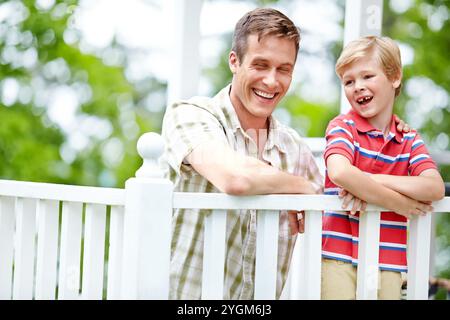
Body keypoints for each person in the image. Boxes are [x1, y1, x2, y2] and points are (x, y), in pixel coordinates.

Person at [161, 8, 323, 300]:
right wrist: (300, 186)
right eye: (260, 65)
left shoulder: (294, 148)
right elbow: (235, 178)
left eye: (283, 69)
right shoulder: (189, 115)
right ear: (234, 61)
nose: (272, 81)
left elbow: (338, 208)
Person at [321, 35, 445, 300]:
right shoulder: (343, 128)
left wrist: (365, 181)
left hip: (388, 261)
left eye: (367, 76)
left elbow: (433, 187)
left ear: (394, 77)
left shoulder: (408, 139)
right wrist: (397, 203)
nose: (358, 87)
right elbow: (341, 172)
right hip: (337, 256)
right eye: (349, 81)